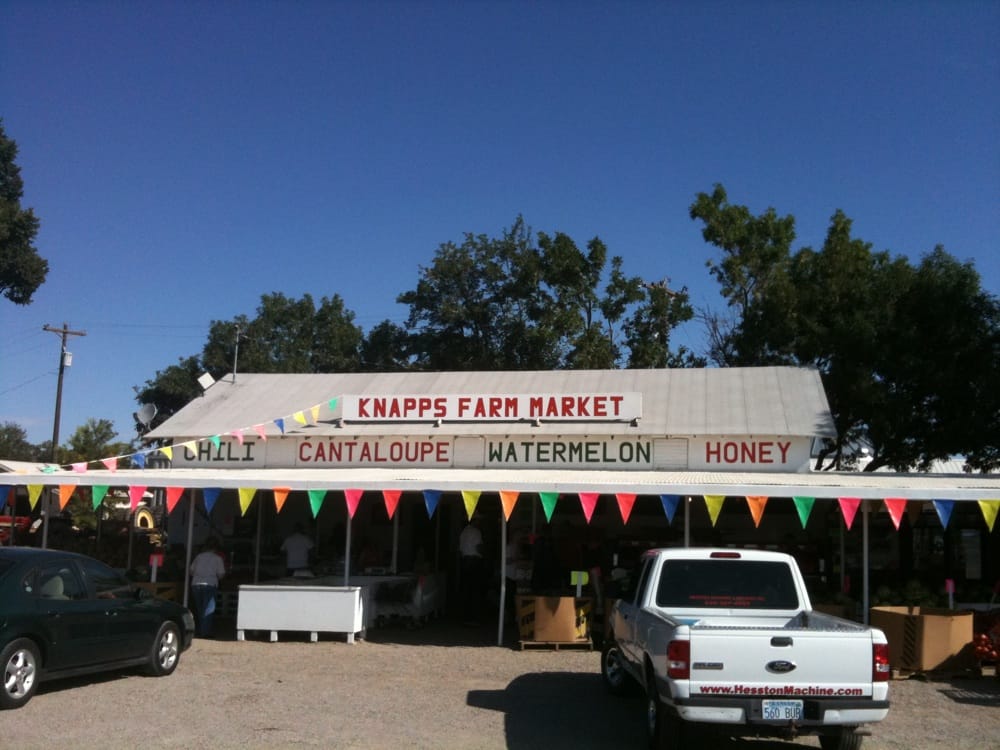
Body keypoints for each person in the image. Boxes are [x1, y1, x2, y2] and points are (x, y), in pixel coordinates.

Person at [189, 537, 226, 638]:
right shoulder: (218, 558)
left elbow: (191, 571)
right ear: (216, 548)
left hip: (196, 584)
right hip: (210, 584)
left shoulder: (199, 557)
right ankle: (205, 632)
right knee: (208, 609)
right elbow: (221, 574)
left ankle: (200, 630)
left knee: (200, 609)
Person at [458, 515, 485, 625]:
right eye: (479, 521)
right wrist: (485, 553)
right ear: (475, 521)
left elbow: (460, 549)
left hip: (465, 561)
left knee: (466, 589)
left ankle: (465, 617)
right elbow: (479, 547)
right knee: (475, 589)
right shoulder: (476, 532)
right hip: (474, 561)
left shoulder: (463, 532)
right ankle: (474, 617)